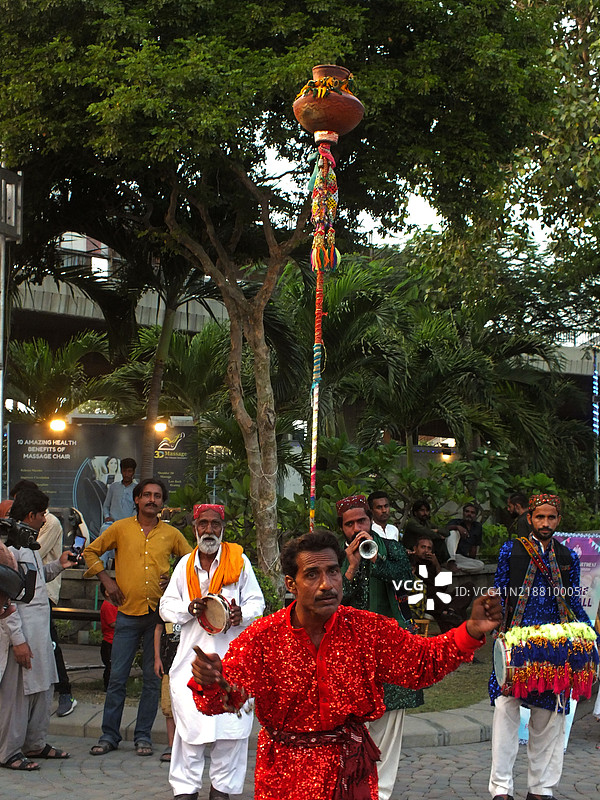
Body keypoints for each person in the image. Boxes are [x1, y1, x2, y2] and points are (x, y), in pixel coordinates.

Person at [189, 530, 502, 800]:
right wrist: (212, 683)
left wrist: (471, 631)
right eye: (312, 574)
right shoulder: (262, 637)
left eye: (333, 571)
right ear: (291, 583)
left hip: (349, 769)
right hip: (284, 775)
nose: (327, 584)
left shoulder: (368, 629)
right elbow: (229, 699)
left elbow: (421, 663)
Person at [488, 493, 595, 800]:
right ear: (530, 519)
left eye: (551, 517)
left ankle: (541, 789)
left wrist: (592, 638)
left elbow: (573, 602)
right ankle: (501, 790)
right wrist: (495, 630)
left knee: (550, 718)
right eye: (540, 517)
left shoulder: (567, 557)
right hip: (516, 646)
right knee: (505, 711)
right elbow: (499, 594)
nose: (545, 523)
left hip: (553, 651)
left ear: (558, 520)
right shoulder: (512, 550)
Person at [159, 503, 265, 800]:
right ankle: (185, 792)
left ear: (222, 528)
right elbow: (165, 607)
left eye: (215, 524)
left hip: (232, 665)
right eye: (203, 524)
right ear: (195, 528)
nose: (209, 530)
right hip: (191, 666)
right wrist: (188, 608)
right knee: (189, 736)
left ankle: (221, 794)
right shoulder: (184, 565)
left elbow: (258, 602)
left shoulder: (238, 561)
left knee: (231, 736)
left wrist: (240, 614)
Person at [83, 477, 192, 757]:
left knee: (152, 679)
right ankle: (109, 735)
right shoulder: (120, 529)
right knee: (117, 677)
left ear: (162, 502)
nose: (151, 500)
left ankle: (143, 736)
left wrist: (177, 582)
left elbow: (192, 562)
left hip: (159, 617)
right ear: (136, 499)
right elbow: (90, 551)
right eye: (146, 495)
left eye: (157, 496)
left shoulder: (171, 534)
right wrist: (107, 581)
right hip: (128, 614)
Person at [337, 494, 419, 800]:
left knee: (390, 724)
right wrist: (351, 566)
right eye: (350, 524)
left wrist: (376, 559)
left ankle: (380, 794)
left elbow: (405, 582)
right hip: (350, 651)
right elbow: (334, 600)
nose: (357, 528)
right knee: (352, 725)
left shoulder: (393, 548)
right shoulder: (336, 556)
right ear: (342, 528)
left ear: (371, 521)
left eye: (362, 521)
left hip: (391, 647)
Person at [0, 488, 74, 770]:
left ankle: (35, 742)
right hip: (20, 635)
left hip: (40, 633)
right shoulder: (8, 550)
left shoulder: (27, 547)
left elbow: (35, 582)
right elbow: (7, 599)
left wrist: (59, 564)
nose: (45, 519)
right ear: (31, 515)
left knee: (42, 691)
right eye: (42, 514)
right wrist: (18, 640)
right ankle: (8, 752)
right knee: (17, 696)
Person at [406, 534, 476, 633]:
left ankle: (451, 611)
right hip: (426, 599)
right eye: (423, 547)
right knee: (438, 598)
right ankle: (451, 614)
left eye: (429, 548)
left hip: (441, 598)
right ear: (415, 548)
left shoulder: (432, 563)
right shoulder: (411, 561)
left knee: (468, 587)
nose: (426, 550)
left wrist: (437, 565)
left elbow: (443, 586)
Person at [402, 498, 452, 565]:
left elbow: (446, 532)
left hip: (423, 548)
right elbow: (426, 532)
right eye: (422, 510)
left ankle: (444, 563)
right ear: (415, 512)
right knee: (438, 539)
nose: (425, 513)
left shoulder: (427, 523)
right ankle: (444, 563)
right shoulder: (412, 523)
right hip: (411, 550)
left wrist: (436, 530)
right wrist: (438, 535)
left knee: (438, 541)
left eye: (427, 511)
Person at [445, 502, 486, 573]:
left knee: (480, 565)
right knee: (453, 532)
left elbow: (474, 547)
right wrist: (457, 527)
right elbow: (444, 530)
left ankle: (454, 566)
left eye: (472, 512)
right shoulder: (455, 522)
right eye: (467, 511)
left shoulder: (477, 527)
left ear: (475, 515)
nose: (469, 514)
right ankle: (450, 562)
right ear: (463, 513)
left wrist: (471, 560)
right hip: (449, 555)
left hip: (460, 558)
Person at [102, 458, 138, 525]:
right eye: (124, 471)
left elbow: (137, 509)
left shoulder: (137, 488)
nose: (126, 474)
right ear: (121, 471)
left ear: (133, 472)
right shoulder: (113, 487)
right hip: (112, 524)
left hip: (129, 525)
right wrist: (107, 517)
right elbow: (106, 506)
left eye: (129, 471)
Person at [99, 583, 118, 690]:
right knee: (110, 666)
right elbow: (112, 623)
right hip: (109, 642)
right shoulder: (107, 605)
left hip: (114, 641)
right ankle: (108, 686)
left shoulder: (115, 605)